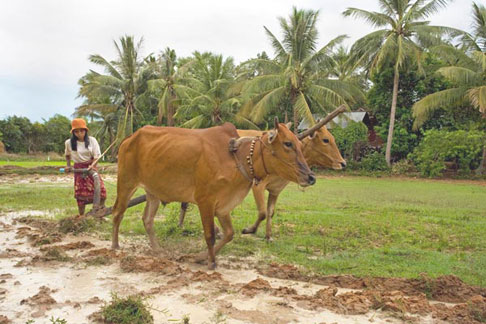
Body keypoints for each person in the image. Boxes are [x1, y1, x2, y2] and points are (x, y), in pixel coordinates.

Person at [64, 118, 107, 217]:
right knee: (81, 195)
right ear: (73, 132)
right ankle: (82, 216)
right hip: (79, 169)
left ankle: (100, 212)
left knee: (102, 192)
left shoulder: (92, 141)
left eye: (82, 131)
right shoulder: (68, 143)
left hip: (91, 167)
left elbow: (97, 156)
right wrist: (68, 166)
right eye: (76, 131)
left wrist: (93, 166)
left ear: (86, 131)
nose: (79, 134)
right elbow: (67, 155)